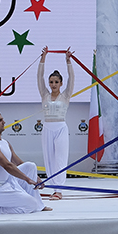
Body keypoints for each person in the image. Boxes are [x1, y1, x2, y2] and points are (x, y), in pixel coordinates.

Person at [0, 110, 51, 214]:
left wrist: (35, 177)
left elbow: (18, 162)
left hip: (9, 183)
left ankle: (40, 206)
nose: (4, 122)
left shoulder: (5, 142)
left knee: (30, 166)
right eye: (0, 120)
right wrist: (27, 179)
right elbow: (7, 166)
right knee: (31, 204)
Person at [38, 46, 73, 197]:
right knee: (49, 159)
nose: (53, 85)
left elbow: (72, 79)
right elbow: (39, 77)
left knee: (60, 159)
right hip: (47, 128)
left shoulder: (65, 96)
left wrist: (68, 62)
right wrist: (43, 58)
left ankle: (59, 190)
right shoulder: (44, 94)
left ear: (61, 83)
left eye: (56, 82)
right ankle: (53, 187)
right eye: (51, 82)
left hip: (60, 128)